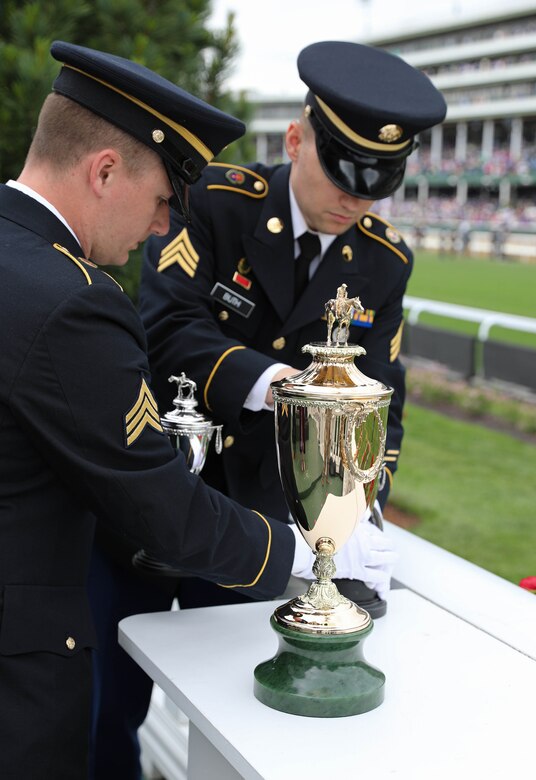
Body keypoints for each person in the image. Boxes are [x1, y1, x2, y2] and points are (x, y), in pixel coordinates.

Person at [0, 40, 379, 780]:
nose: (158, 229)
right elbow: (162, 510)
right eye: (161, 203)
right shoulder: (75, 302)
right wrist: (313, 552)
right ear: (105, 171)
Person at [88, 40, 447, 778]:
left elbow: (382, 392)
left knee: (243, 713)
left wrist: (364, 507)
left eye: (377, 183)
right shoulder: (218, 203)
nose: (356, 198)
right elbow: (169, 330)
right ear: (295, 139)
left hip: (260, 524)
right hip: (156, 493)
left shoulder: (383, 261)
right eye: (343, 172)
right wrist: (288, 392)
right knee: (105, 706)